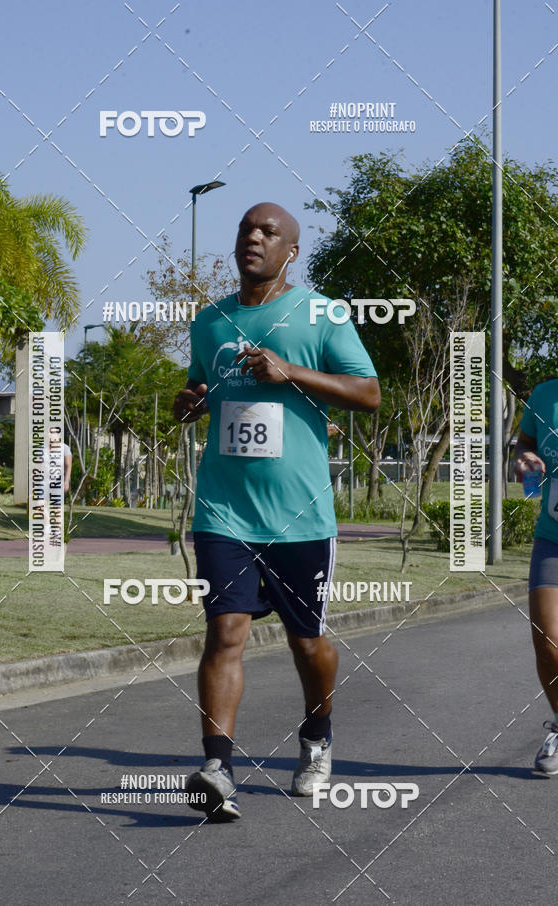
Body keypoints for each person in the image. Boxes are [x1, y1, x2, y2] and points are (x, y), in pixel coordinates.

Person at [173, 202, 380, 821]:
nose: (253, 238)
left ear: (291, 251)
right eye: (245, 229)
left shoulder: (322, 313)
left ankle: (317, 734)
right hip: (223, 510)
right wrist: (191, 402)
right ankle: (217, 769)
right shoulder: (209, 321)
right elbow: (200, 388)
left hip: (299, 514)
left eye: (268, 232)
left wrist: (291, 372)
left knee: (306, 641)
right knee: (225, 631)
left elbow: (368, 393)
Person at [513, 377, 558, 774]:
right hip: (552, 540)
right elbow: (524, 443)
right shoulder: (544, 395)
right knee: (547, 640)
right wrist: (525, 458)